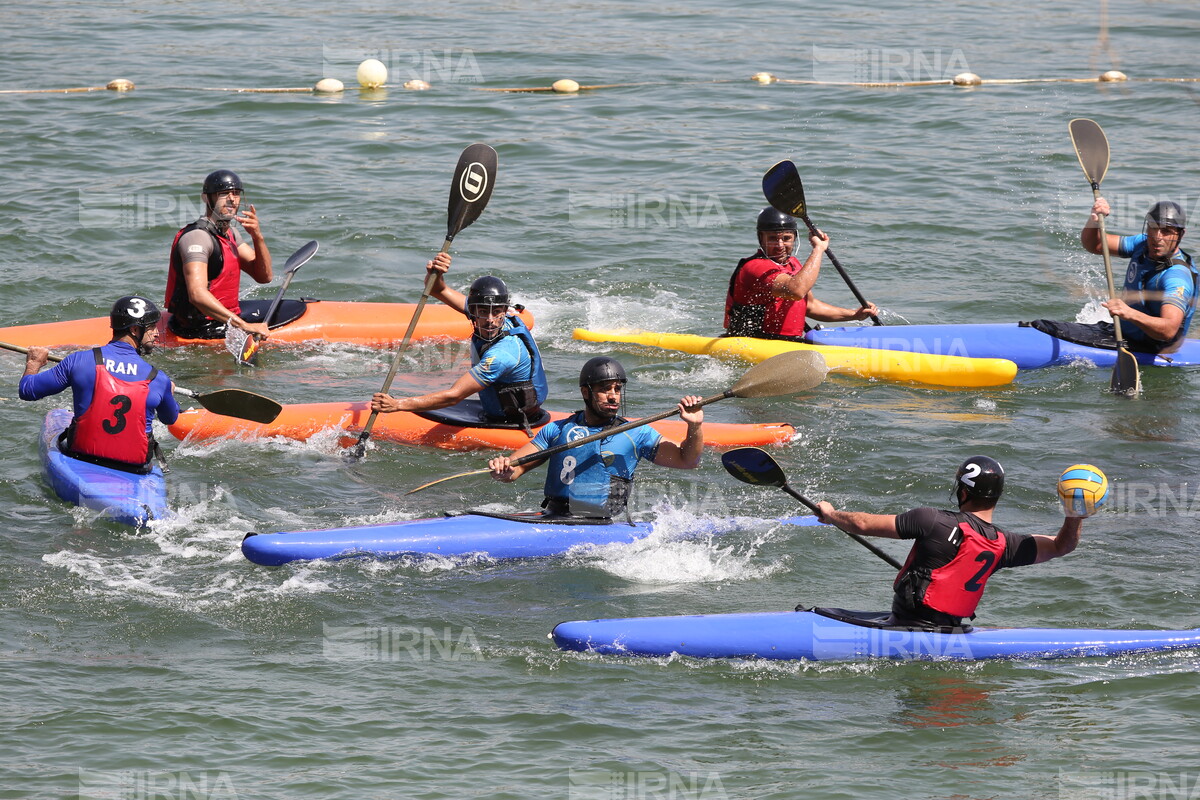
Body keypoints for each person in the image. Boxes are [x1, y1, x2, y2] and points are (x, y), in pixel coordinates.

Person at [814, 456, 1083, 630]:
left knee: (816, 612)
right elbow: (1062, 545)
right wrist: (1075, 512)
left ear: (963, 492)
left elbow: (861, 524)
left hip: (907, 624)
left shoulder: (931, 520)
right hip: (951, 630)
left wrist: (831, 514)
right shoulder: (1006, 544)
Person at [487, 356, 704, 519]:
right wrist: (502, 467)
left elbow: (688, 460)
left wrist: (694, 426)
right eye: (604, 389)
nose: (613, 395)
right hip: (553, 516)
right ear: (585, 392)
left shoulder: (637, 433)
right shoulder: (556, 430)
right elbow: (514, 471)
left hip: (601, 524)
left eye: (617, 389)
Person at [370, 253, 548, 432]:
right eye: (483, 311)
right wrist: (437, 274)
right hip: (504, 405)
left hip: (509, 418)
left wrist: (397, 405)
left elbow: (453, 396)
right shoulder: (485, 313)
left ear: (505, 310)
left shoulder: (502, 355)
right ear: (472, 310)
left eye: (496, 312)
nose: (490, 320)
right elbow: (437, 290)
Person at [19, 296, 180, 474]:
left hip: (82, 458)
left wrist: (33, 362)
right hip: (134, 470)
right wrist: (169, 393)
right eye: (151, 328)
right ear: (135, 330)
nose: (157, 333)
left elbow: (28, 390)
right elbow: (170, 419)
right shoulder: (158, 379)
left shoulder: (79, 360)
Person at [1024, 199, 1197, 353]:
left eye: (1166, 231)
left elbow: (1168, 330)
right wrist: (1094, 220)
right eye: (1153, 228)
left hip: (1153, 347)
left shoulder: (1177, 277)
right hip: (1123, 332)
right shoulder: (1143, 244)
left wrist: (1128, 313)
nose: (1157, 237)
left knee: (1049, 328)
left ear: (1181, 234)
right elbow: (1095, 245)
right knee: (1047, 326)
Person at [724, 208, 879, 340]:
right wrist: (818, 249)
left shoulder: (793, 265)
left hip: (789, 343)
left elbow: (810, 306)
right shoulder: (755, 267)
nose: (780, 245)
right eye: (772, 239)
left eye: (786, 239)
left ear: (794, 238)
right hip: (755, 342)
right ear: (760, 238)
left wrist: (854, 315)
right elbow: (796, 291)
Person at [164, 169, 273, 340]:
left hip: (227, 319)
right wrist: (244, 326)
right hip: (200, 328)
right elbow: (197, 295)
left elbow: (264, 276)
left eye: (236, 194)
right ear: (207, 198)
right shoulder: (197, 238)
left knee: (285, 309)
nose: (232, 199)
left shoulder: (231, 233)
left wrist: (257, 237)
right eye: (223, 194)